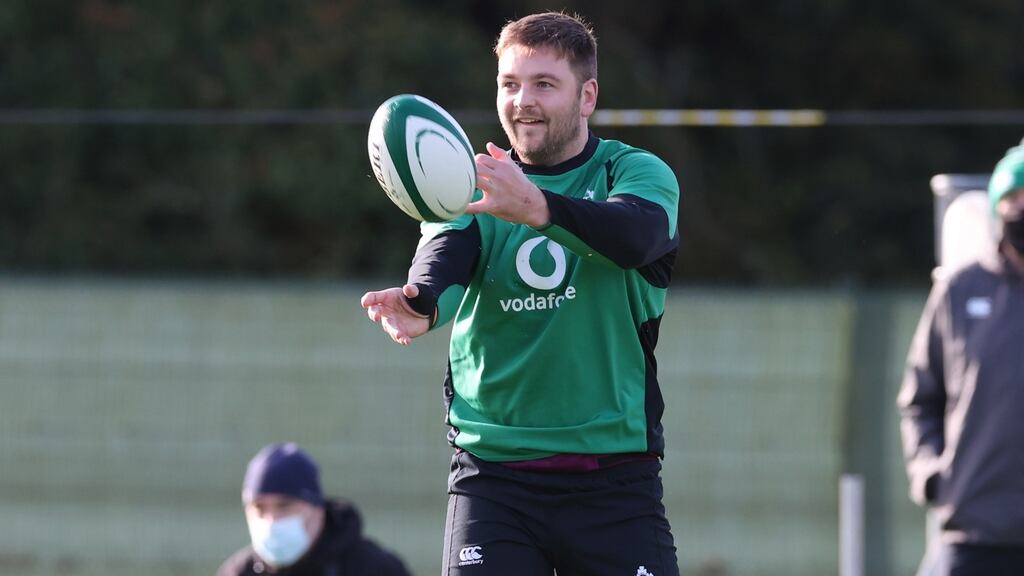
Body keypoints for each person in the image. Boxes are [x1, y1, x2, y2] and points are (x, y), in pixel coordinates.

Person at [361, 11, 681, 576]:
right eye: (509, 84)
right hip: (494, 479)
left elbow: (635, 236)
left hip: (615, 477)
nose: (522, 101)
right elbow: (446, 254)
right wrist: (420, 304)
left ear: (587, 96)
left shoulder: (632, 172)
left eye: (543, 85)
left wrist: (536, 207)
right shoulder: (470, 185)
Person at [898, 138, 1024, 576]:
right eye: (1013, 197)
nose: (1021, 208)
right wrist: (932, 473)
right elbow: (920, 398)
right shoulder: (961, 289)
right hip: (974, 531)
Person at [217, 442, 411, 576]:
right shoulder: (237, 572)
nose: (271, 520)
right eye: (259, 508)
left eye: (284, 505)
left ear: (317, 508)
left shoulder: (374, 569)